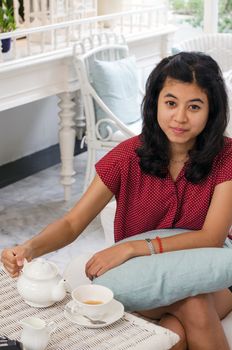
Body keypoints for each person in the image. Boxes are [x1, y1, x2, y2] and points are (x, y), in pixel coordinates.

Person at [1, 51, 232, 350]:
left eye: (195, 106)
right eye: (171, 103)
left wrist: (132, 248)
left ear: (212, 111)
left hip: (207, 280)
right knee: (187, 316)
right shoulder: (126, 156)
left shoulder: (226, 157)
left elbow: (212, 237)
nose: (180, 117)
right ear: (155, 104)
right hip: (144, 280)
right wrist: (28, 249)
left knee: (192, 306)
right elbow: (73, 222)